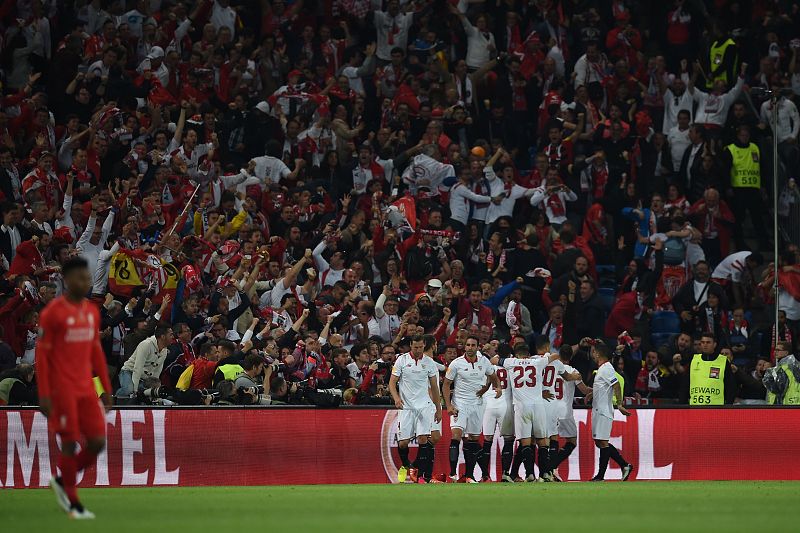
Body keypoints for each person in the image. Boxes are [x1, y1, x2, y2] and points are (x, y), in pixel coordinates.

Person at [36, 256, 113, 519]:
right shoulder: (53, 313)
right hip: (61, 389)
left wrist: (106, 389)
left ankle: (62, 480)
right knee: (69, 443)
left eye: (88, 278)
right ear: (67, 280)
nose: (86, 282)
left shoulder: (91, 311)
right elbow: (42, 356)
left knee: (98, 441)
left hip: (85, 388)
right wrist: (44, 394)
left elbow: (96, 353)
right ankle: (73, 503)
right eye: (81, 278)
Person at [490, 342, 562, 482]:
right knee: (542, 441)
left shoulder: (511, 362)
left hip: (521, 407)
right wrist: (544, 356)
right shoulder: (537, 362)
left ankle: (530, 474)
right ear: (528, 354)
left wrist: (503, 358)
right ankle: (545, 474)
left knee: (525, 442)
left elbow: (493, 360)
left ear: (516, 354)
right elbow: (555, 356)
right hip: (538, 406)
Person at [442, 335, 499, 482]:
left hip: (477, 405)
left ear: (478, 347)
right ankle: (453, 474)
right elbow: (446, 384)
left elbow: (493, 376)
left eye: (473, 345)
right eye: (468, 345)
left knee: (473, 439)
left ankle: (469, 475)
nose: (470, 348)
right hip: (459, 404)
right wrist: (448, 405)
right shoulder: (456, 363)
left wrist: (492, 387)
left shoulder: (484, 361)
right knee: (456, 436)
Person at [389, 335, 442, 484]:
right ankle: (406, 465)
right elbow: (392, 383)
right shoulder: (402, 360)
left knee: (423, 439)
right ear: (410, 346)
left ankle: (421, 477)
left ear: (424, 345)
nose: (418, 350)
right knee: (403, 443)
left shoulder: (429, 363)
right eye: (415, 347)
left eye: (420, 347)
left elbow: (434, 387)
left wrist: (438, 408)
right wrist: (396, 398)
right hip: (406, 407)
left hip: (424, 405)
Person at [589, 341, 633, 482]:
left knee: (602, 442)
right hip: (598, 410)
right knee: (599, 442)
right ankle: (624, 465)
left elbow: (616, 385)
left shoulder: (607, 368)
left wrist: (619, 404)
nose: (592, 354)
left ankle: (602, 475)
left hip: (603, 411)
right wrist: (591, 394)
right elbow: (604, 387)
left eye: (593, 351)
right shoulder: (602, 369)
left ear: (597, 353)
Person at [549, 345, 591, 480]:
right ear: (571, 357)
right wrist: (598, 389)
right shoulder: (573, 371)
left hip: (550, 410)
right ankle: (552, 467)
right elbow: (584, 390)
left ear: (559, 354)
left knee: (551, 440)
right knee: (571, 441)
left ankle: (549, 470)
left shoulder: (551, 369)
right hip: (565, 411)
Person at [680, 332, 737, 405]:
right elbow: (685, 385)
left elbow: (730, 387)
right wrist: (683, 405)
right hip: (695, 407)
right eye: (703, 342)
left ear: (714, 344)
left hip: (717, 408)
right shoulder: (694, 360)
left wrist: (728, 406)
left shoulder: (723, 361)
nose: (705, 345)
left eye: (708, 342)